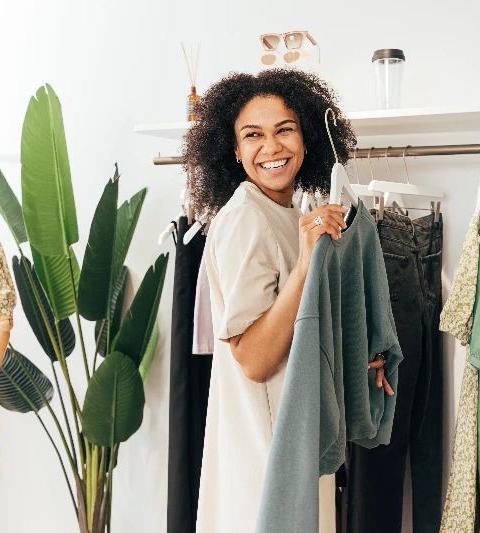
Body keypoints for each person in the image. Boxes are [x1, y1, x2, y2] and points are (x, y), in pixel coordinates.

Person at [182, 69, 390, 533]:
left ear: (307, 137)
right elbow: (254, 359)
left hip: (292, 440)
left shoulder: (291, 212)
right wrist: (303, 267)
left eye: (284, 130)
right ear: (233, 151)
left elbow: (303, 330)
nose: (271, 148)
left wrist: (354, 362)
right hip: (265, 455)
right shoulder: (244, 220)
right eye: (253, 135)